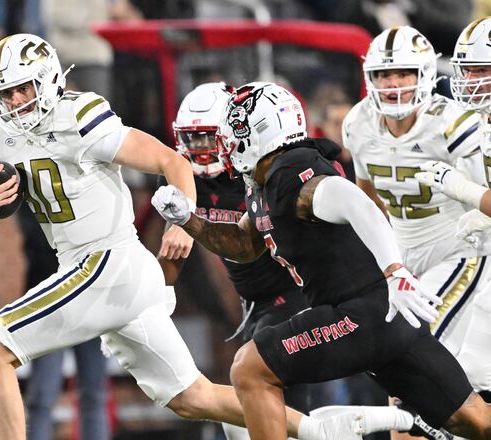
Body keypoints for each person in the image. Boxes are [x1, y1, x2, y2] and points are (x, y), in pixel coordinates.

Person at [0, 33, 408, 440]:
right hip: (101, 272)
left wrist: (181, 222)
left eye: (24, 88)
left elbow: (171, 162)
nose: (16, 101)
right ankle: (317, 428)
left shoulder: (78, 116)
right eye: (5, 92)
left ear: (50, 79)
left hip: (105, 263)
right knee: (194, 398)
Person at [152, 80, 491, 439]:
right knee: (476, 421)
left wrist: (395, 271)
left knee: (249, 369)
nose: (222, 145)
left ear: (260, 132)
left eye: (230, 133)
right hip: (386, 320)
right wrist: (186, 219)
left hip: (360, 313)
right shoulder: (265, 181)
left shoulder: (292, 173)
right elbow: (242, 244)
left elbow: (355, 201)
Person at [342, 26, 491, 409]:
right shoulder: (358, 123)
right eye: (384, 75)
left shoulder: (453, 123)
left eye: (403, 73)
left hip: (459, 250)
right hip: (405, 256)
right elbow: (365, 199)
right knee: (413, 369)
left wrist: (461, 188)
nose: (393, 85)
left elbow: (482, 205)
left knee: (429, 355)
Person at [414, 16, 491, 401]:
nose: (471, 79)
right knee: (472, 367)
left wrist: (461, 190)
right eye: (468, 70)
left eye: (482, 69)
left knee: (475, 367)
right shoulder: (482, 122)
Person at [17, 202, 110, 440]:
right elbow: (41, 241)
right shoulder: (34, 196)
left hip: (90, 304)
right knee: (42, 395)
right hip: (48, 307)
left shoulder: (90, 192)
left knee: (94, 394)